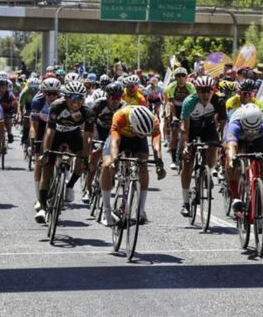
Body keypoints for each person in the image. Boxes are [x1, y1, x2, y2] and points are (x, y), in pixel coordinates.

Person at [35, 81, 94, 223]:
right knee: (47, 168)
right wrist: (46, 152)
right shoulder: (56, 106)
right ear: (66, 97)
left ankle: (69, 186)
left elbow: (88, 137)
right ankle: (42, 207)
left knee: (81, 159)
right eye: (73, 97)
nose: (76, 101)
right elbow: (50, 131)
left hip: (73, 134)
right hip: (56, 133)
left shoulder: (87, 112)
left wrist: (85, 158)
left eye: (80, 98)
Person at [105, 105, 167, 224]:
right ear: (132, 126)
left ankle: (141, 209)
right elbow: (115, 142)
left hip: (138, 141)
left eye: (146, 134)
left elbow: (156, 144)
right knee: (107, 165)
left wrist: (159, 163)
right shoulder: (121, 116)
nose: (144, 135)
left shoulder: (153, 121)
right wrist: (113, 160)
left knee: (143, 165)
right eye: (141, 133)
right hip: (120, 137)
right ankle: (106, 210)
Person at [223, 104, 263, 217]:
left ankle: (258, 199)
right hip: (239, 138)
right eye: (248, 130)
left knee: (260, 166)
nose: (251, 133)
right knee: (231, 160)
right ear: (243, 124)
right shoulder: (235, 124)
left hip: (258, 139)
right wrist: (231, 160)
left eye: (254, 130)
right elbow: (231, 146)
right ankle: (236, 197)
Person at [178, 76, 227, 216]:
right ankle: (185, 202)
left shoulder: (219, 101)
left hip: (208, 128)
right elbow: (184, 129)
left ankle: (207, 172)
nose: (205, 94)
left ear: (213, 90)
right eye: (201, 91)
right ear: (197, 91)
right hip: (191, 130)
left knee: (213, 151)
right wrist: (186, 145)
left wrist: (223, 142)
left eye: (208, 91)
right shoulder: (189, 102)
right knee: (187, 163)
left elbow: (223, 125)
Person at [30, 77, 62, 216]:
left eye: (55, 93)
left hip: (59, 127)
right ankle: (38, 198)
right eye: (48, 93)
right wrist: (33, 142)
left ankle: (61, 180)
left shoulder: (63, 102)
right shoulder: (37, 102)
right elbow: (33, 125)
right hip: (42, 126)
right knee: (39, 162)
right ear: (43, 93)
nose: (51, 97)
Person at [164, 67, 196, 169]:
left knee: (189, 131)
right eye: (178, 76)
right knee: (174, 133)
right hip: (175, 108)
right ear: (175, 77)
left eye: (183, 75)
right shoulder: (171, 86)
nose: (181, 78)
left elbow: (193, 102)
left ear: (186, 77)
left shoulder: (190, 86)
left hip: (187, 108)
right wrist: (173, 117)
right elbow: (171, 103)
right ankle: (173, 160)